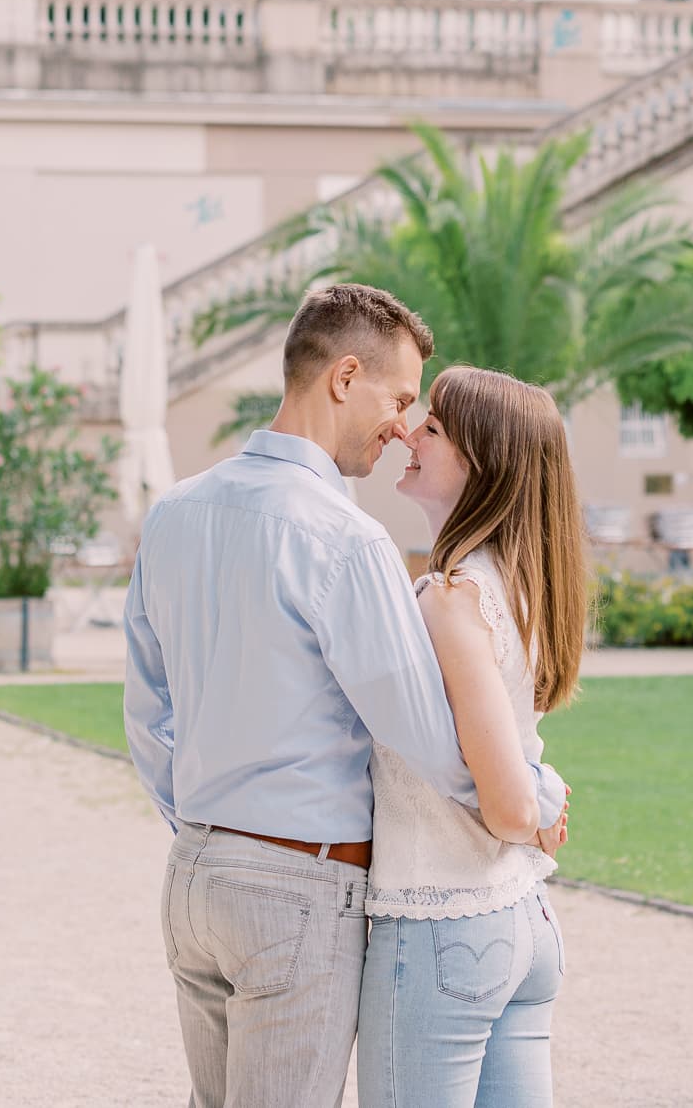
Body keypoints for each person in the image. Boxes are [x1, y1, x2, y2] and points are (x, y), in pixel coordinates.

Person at [123, 284, 567, 1108]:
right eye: (400, 398)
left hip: (193, 876)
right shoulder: (345, 537)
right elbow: (426, 734)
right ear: (344, 376)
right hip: (298, 887)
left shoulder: (174, 511)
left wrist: (205, 827)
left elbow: (149, 713)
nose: (403, 422)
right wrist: (532, 796)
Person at [358, 365, 589, 1108]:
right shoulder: (519, 585)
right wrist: (542, 789)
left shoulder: (453, 597)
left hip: (440, 924)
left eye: (432, 427)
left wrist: (536, 802)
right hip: (517, 921)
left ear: (480, 462)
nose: (407, 432)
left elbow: (507, 808)